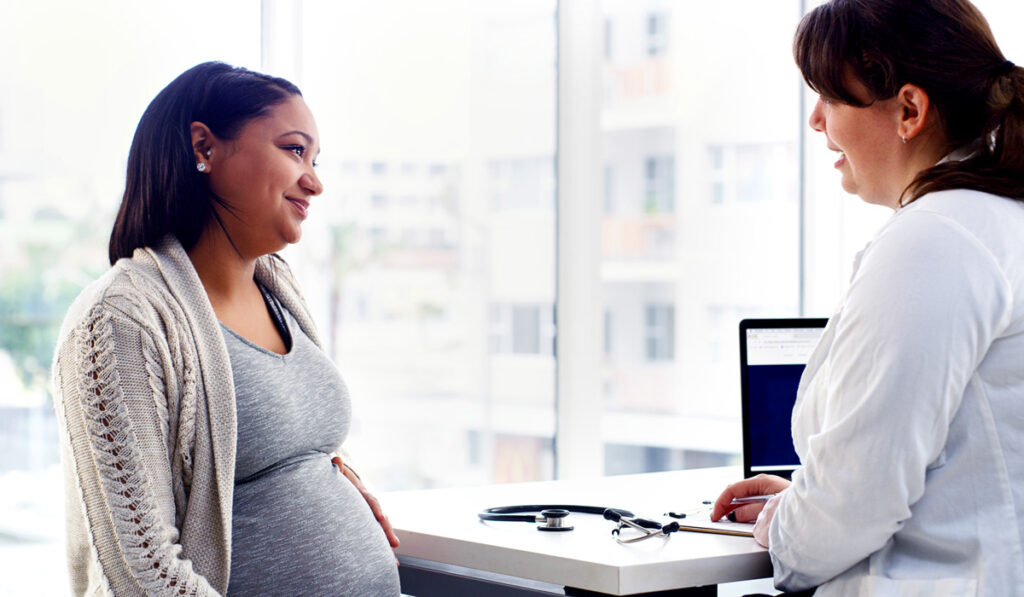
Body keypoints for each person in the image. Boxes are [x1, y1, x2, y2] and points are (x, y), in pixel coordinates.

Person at [52, 62, 401, 596]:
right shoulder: (120, 318)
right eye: (293, 150)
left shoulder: (278, 287)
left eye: (315, 158)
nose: (315, 180)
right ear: (204, 147)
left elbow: (280, 437)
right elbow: (140, 573)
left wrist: (337, 476)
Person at [711, 0, 1024, 594]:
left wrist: (792, 521)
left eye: (829, 97)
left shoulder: (936, 240)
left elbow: (845, 513)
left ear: (909, 109)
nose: (815, 121)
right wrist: (813, 502)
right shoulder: (995, 222)